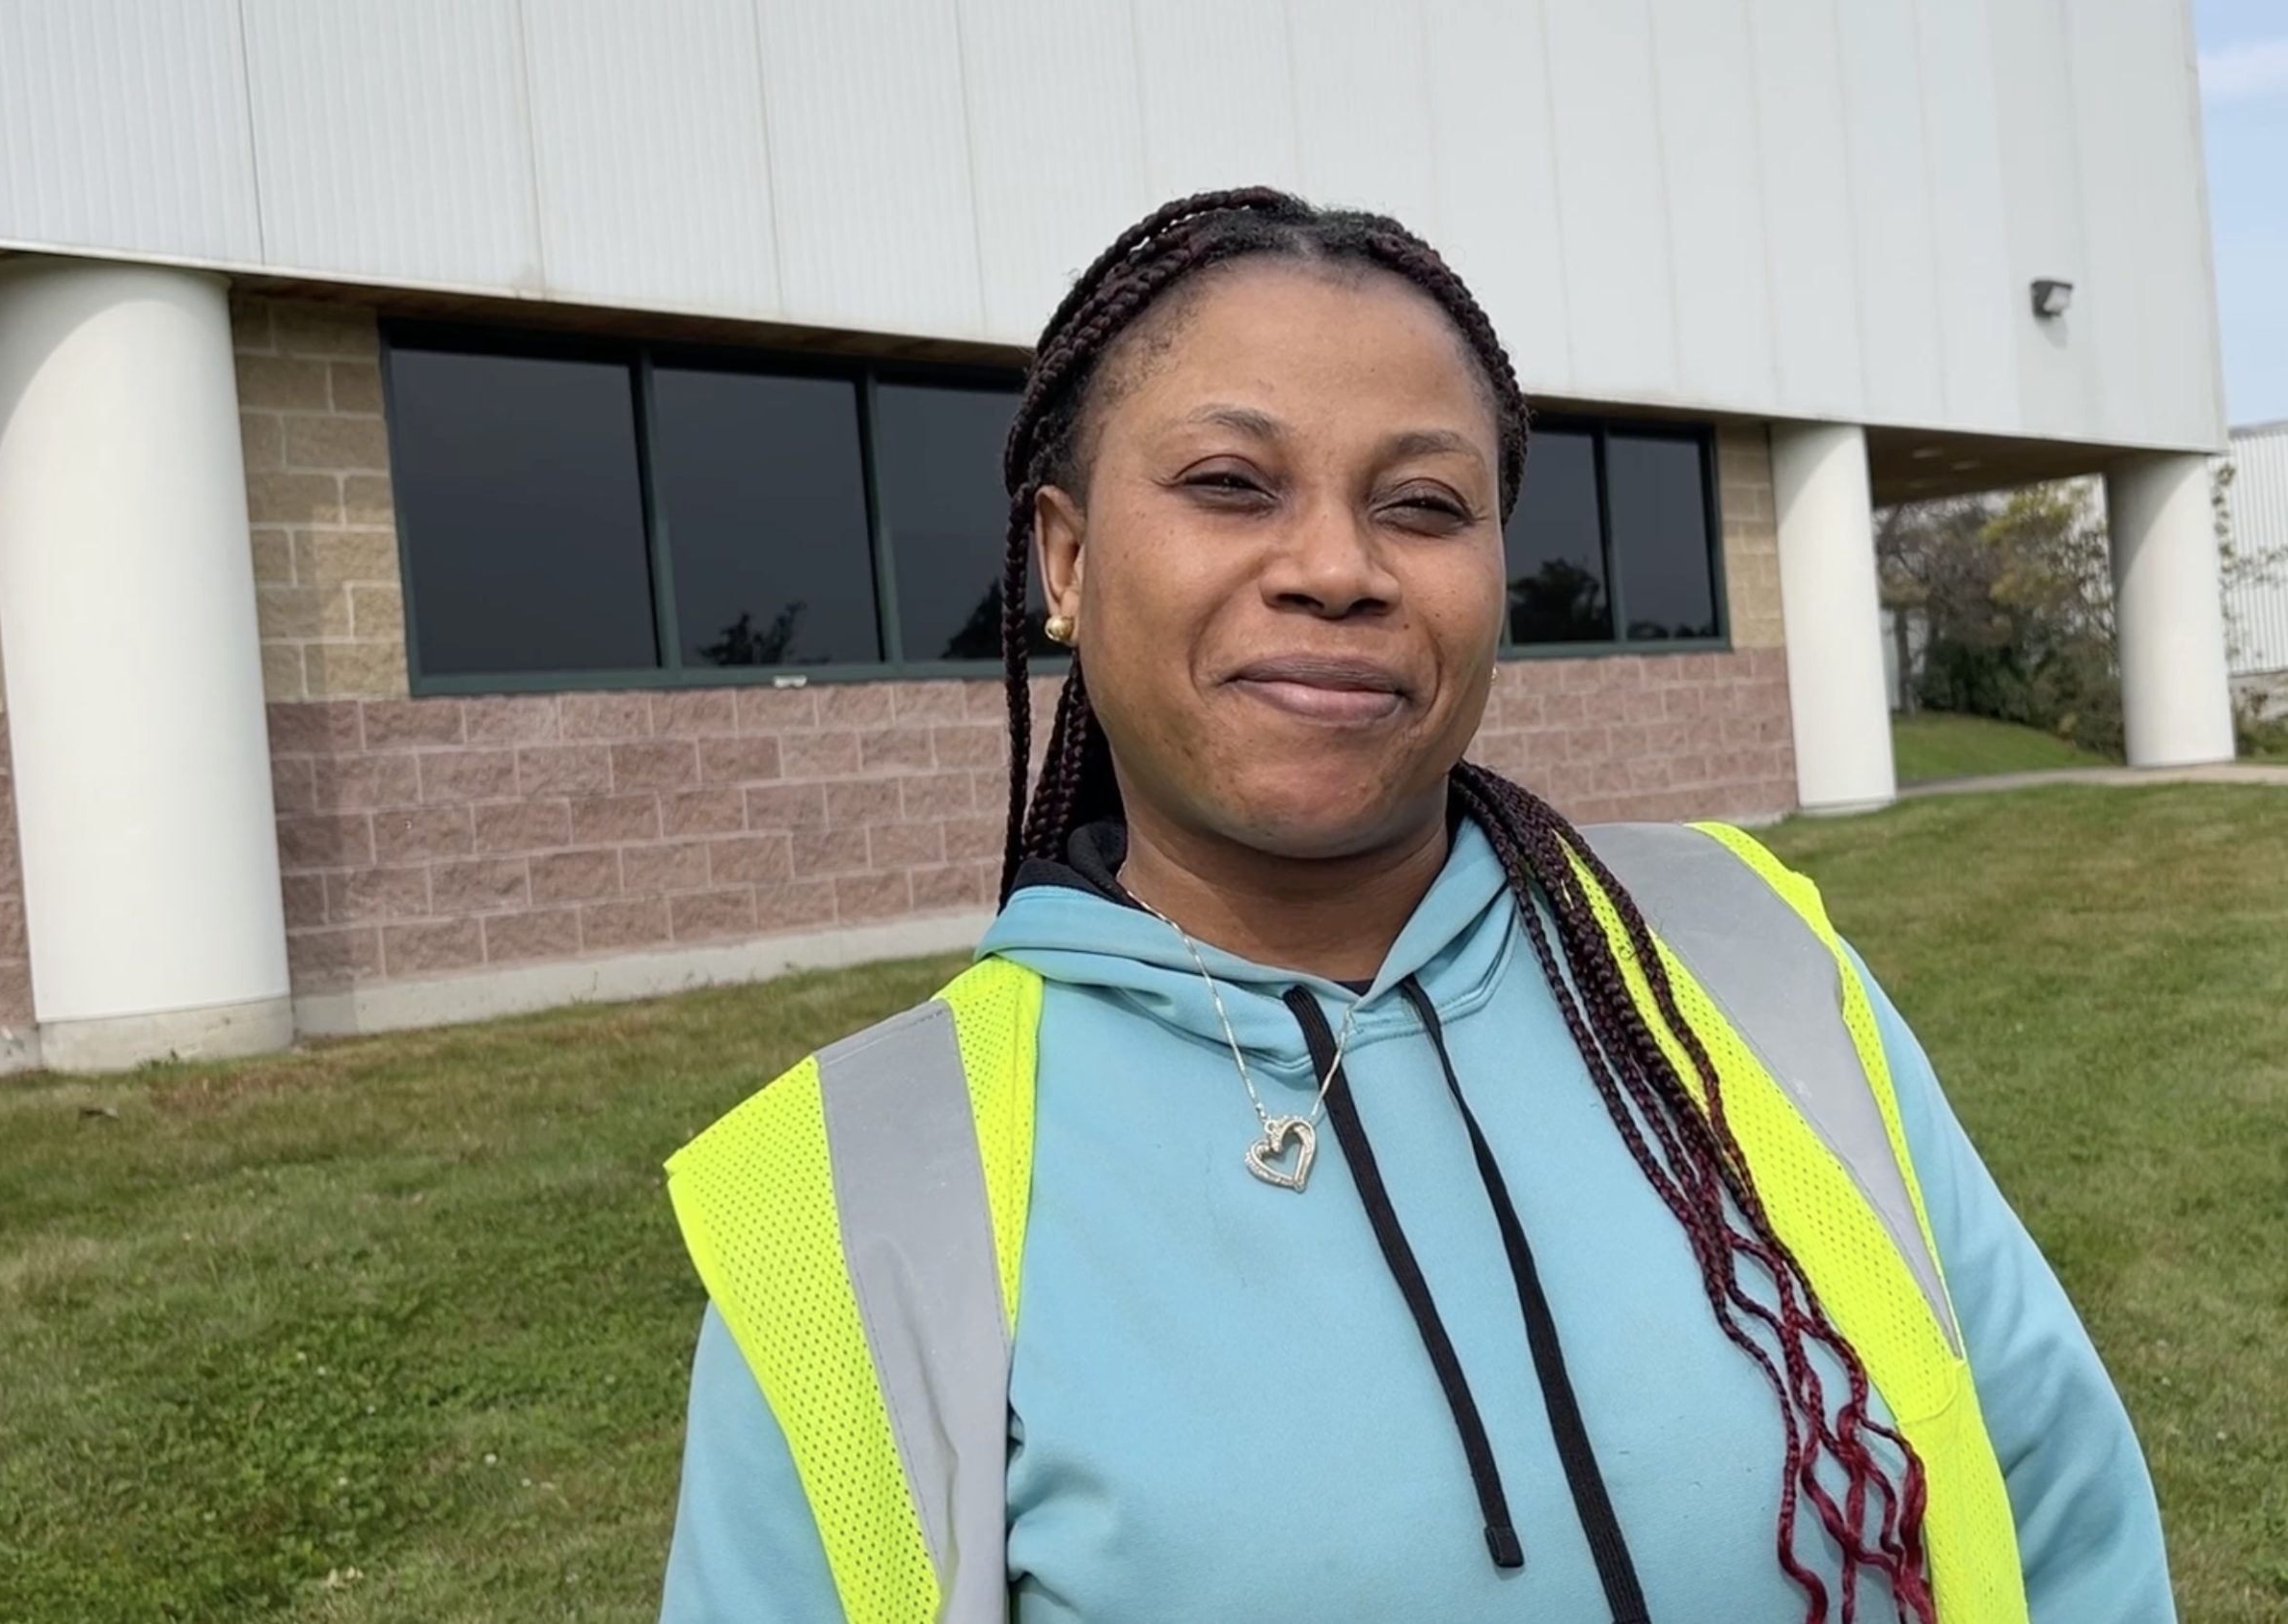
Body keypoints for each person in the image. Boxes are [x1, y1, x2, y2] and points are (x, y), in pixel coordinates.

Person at [652, 189, 2172, 1624]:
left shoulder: (1741, 958)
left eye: (1424, 502)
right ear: (1063, 559)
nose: (1337, 567)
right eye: (1230, 484)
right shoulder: (849, 1197)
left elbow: (2061, 1501)